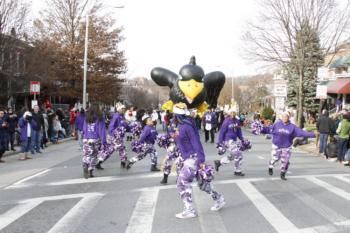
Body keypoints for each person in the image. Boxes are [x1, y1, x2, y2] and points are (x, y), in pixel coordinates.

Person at [173, 103, 225, 219]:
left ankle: (189, 210)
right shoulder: (184, 124)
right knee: (203, 184)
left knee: (182, 183)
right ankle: (219, 199)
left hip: (192, 159)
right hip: (191, 158)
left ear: (176, 114)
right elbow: (185, 141)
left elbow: (196, 142)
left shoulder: (186, 126)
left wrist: (201, 160)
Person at [261, 112, 315, 180]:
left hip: (287, 146)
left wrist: (313, 134)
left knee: (285, 161)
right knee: (275, 158)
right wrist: (261, 129)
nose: (284, 118)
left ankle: (283, 173)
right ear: (281, 117)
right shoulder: (277, 124)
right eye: (283, 116)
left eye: (286, 117)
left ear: (288, 117)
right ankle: (271, 166)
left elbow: (301, 132)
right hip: (276, 145)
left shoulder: (292, 127)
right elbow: (269, 129)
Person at [214, 108, 246, 176]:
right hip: (228, 141)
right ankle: (237, 171)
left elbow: (239, 131)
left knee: (233, 155)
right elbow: (222, 132)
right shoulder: (226, 121)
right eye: (231, 112)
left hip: (234, 141)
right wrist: (220, 143)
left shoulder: (237, 121)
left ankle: (220, 162)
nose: (233, 114)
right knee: (238, 154)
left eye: (234, 112)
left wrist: (242, 139)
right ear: (229, 113)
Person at [82, 105, 106, 178]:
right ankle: (90, 171)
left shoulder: (87, 118)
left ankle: (85, 165)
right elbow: (101, 130)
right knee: (94, 155)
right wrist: (104, 141)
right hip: (96, 139)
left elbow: (84, 129)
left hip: (86, 139)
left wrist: (85, 137)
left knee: (87, 155)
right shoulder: (99, 118)